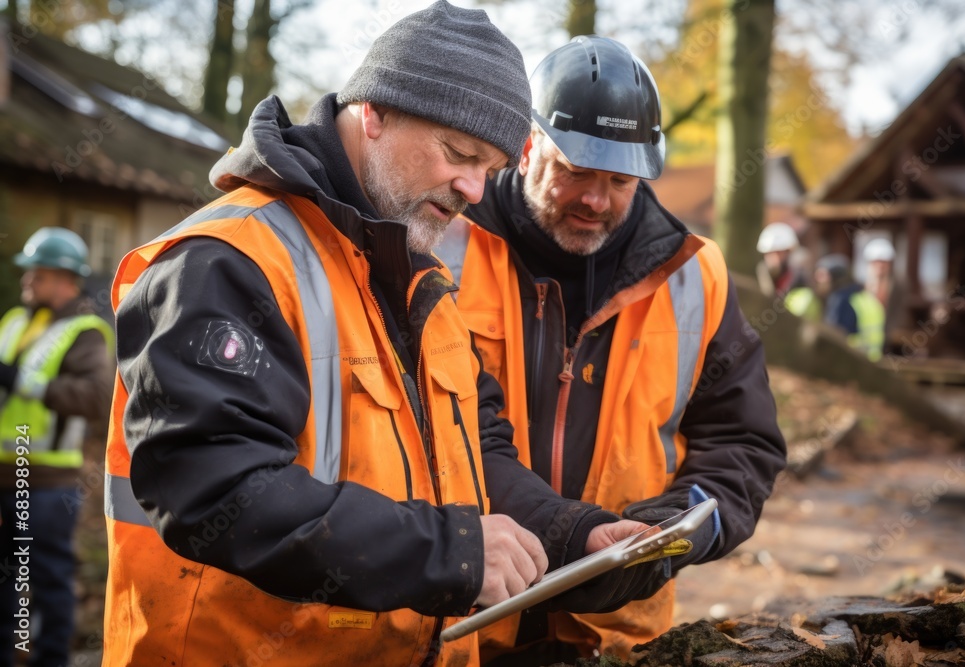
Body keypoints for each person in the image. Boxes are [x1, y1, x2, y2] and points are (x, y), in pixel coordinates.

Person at [101, 4, 667, 665]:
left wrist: (574, 533)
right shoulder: (226, 261)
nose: (473, 189)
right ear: (374, 112)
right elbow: (215, 488)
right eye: (460, 154)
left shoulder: (418, 275)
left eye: (489, 168)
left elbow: (476, 452)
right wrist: (450, 551)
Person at [446, 36, 787, 662]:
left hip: (615, 637)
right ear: (527, 146)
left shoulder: (696, 275)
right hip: (461, 624)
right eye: (575, 171)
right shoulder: (442, 242)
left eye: (620, 180)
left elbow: (743, 441)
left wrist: (678, 528)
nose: (595, 199)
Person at [0, 227, 113, 667]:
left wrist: (23, 382)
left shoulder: (86, 332)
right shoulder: (14, 321)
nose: (27, 280)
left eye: (38, 274)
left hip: (46, 481)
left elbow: (95, 398)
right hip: (4, 472)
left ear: (67, 279)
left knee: (47, 576)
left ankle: (50, 659)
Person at [815, 253, 886, 361]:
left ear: (836, 277)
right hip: (871, 361)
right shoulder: (865, 297)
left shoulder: (840, 300)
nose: (818, 280)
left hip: (851, 360)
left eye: (822, 275)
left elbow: (833, 336)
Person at [755, 221, 819, 320]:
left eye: (778, 253)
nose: (773, 258)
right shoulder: (763, 277)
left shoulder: (802, 282)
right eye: (769, 253)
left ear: (789, 252)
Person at [862, 237, 905, 349]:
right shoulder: (861, 287)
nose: (880, 266)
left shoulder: (899, 286)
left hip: (890, 341)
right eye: (876, 262)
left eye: (884, 262)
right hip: (866, 341)